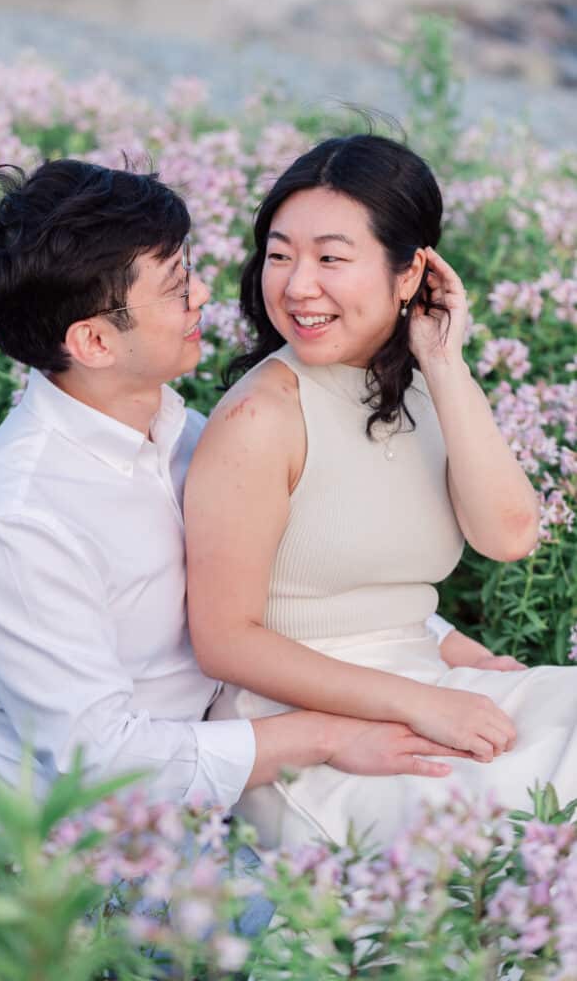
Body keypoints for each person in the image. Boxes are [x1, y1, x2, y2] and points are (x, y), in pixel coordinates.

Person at [0, 157, 468, 812]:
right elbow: (103, 761)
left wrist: (448, 646)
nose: (205, 294)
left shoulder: (183, 433)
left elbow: (303, 581)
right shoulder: (20, 525)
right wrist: (324, 737)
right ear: (94, 341)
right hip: (90, 866)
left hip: (241, 765)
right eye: (177, 287)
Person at [185, 134, 577, 849]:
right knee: (532, 829)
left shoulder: (424, 382)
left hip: (424, 683)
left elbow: (510, 537)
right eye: (280, 255)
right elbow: (223, 641)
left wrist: (444, 360)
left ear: (410, 275)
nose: (299, 285)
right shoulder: (260, 417)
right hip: (297, 728)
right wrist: (421, 703)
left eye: (332, 258)